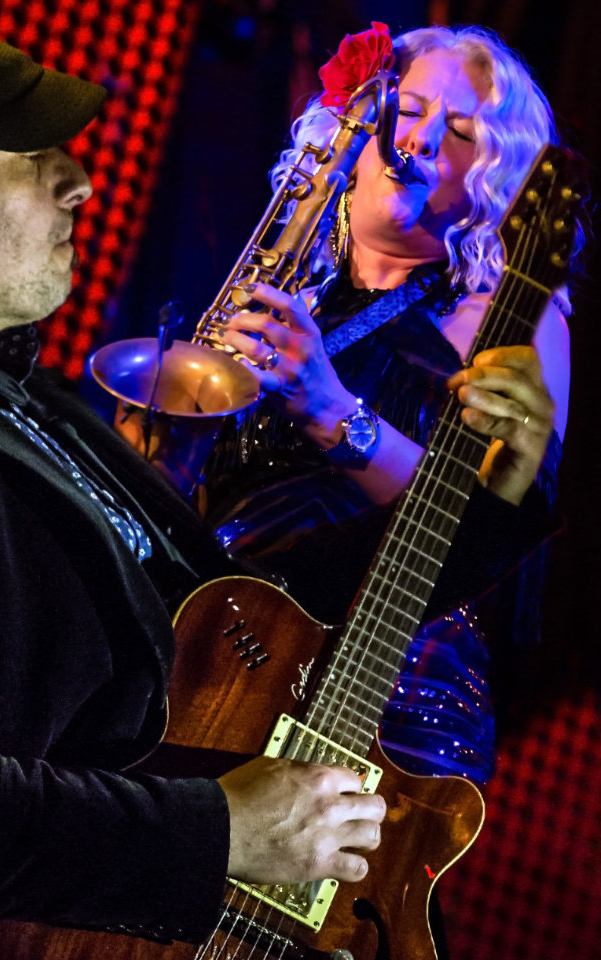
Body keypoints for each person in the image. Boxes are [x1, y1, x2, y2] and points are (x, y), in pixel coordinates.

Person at [0, 15, 389, 960]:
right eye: (33, 155)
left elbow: (244, 622)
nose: (77, 182)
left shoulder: (20, 392)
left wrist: (482, 497)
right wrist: (219, 833)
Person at [204, 22, 574, 786]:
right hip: (223, 658)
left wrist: (331, 410)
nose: (425, 138)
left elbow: (492, 531)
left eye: (464, 130)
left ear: (495, 174)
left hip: (390, 692)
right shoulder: (280, 284)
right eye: (406, 109)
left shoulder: (506, 316)